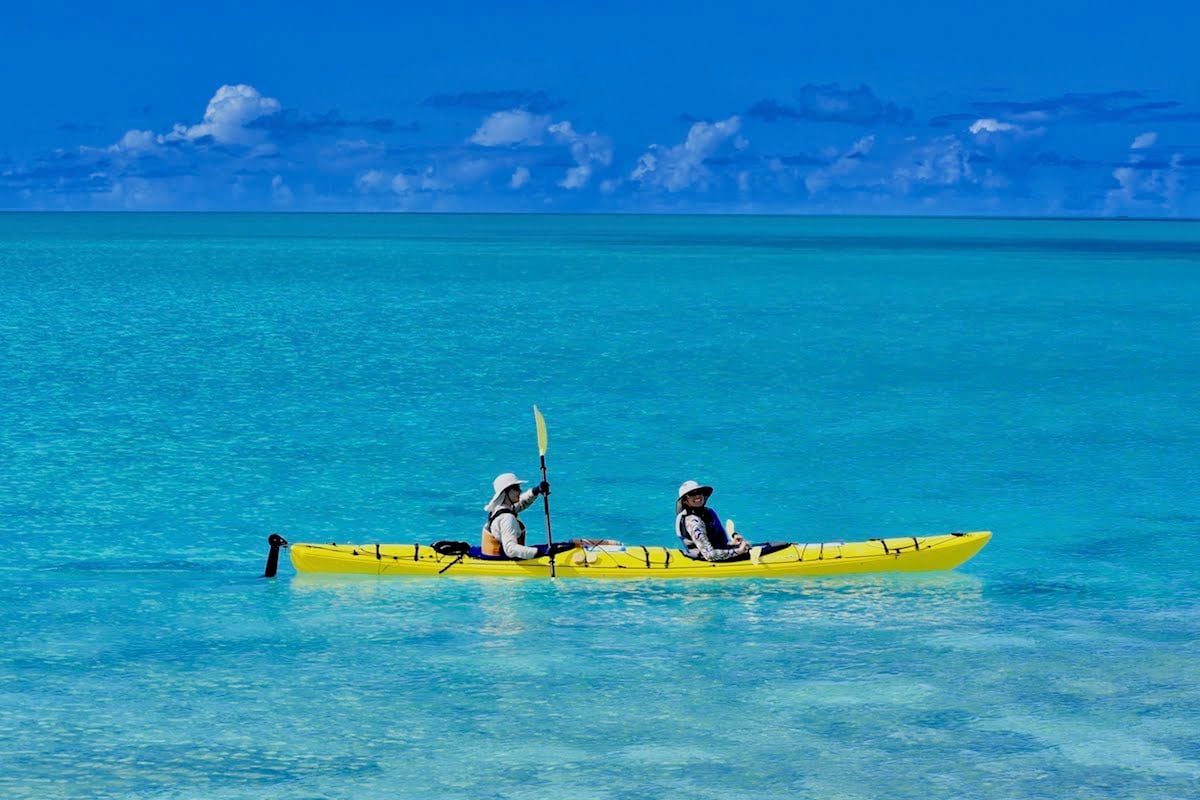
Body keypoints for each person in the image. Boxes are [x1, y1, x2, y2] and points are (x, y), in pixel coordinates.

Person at [481, 472, 569, 559]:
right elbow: (510, 549)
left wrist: (537, 490)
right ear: (505, 492)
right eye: (516, 488)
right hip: (506, 559)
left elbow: (521, 503)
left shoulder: (499, 509)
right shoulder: (507, 518)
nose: (520, 491)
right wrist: (541, 553)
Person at [675, 480, 750, 561]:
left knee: (751, 546)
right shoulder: (693, 522)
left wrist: (732, 544)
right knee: (759, 549)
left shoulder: (707, 512)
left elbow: (712, 543)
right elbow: (709, 555)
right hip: (707, 559)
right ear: (685, 500)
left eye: (699, 492)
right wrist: (738, 551)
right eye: (692, 494)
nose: (697, 496)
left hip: (715, 553)